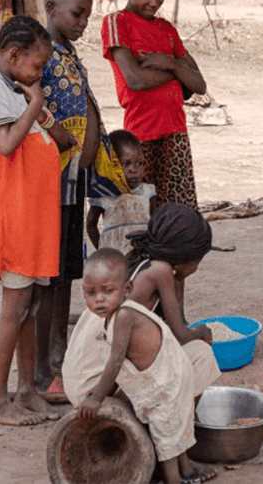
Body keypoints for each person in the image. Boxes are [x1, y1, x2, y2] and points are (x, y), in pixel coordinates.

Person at [64, 204, 220, 481]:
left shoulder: (142, 262)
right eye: (198, 260)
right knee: (199, 357)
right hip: (96, 385)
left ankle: (175, 446)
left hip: (81, 377)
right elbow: (180, 335)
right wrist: (204, 333)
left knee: (176, 364)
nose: (197, 267)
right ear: (187, 255)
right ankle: (169, 442)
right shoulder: (159, 271)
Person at [0, 15, 65, 425]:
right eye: (37, 65)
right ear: (13, 56)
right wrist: (36, 104)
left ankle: (26, 389)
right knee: (13, 309)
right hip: (12, 220)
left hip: (32, 221)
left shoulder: (14, 88)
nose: (40, 73)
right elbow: (7, 145)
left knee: (30, 307)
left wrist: (37, 107)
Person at [76, 249, 207, 484]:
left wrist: (97, 397)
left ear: (127, 289)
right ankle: (189, 474)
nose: (99, 299)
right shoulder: (113, 315)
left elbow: (116, 361)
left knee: (166, 440)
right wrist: (101, 391)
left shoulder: (124, 316)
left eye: (108, 291)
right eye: (91, 293)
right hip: (161, 378)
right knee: (174, 430)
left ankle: (173, 479)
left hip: (166, 382)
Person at [35, 0, 101, 394]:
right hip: (51, 186)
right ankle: (42, 363)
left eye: (87, 17)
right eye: (77, 14)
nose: (83, 23)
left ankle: (59, 353)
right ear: (51, 8)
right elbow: (26, 100)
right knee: (48, 276)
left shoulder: (71, 55)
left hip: (74, 185)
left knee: (66, 273)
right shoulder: (40, 54)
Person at [102, 0, 207, 212]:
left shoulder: (167, 29)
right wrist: (177, 73)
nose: (155, 1)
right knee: (141, 215)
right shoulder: (117, 23)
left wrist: (169, 63)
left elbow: (198, 85)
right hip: (140, 140)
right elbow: (135, 79)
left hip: (176, 135)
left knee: (179, 216)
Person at [86, 129, 156, 254]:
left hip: (142, 254)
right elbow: (91, 225)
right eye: (126, 164)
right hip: (114, 256)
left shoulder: (147, 192)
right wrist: (102, 249)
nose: (134, 169)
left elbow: (155, 223)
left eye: (139, 163)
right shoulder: (104, 195)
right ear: (112, 165)